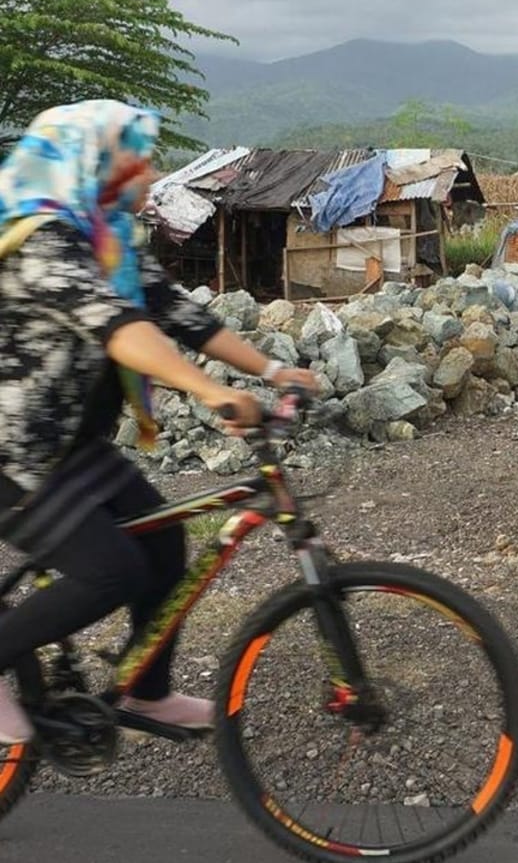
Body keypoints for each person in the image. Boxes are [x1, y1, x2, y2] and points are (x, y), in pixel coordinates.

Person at [0, 100, 317, 745]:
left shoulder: (110, 236)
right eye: (133, 157)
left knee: (166, 542)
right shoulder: (39, 239)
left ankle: (147, 694)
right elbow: (121, 329)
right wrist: (209, 393)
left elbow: (177, 314)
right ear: (90, 161)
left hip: (71, 447)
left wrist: (270, 370)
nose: (148, 171)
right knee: (110, 570)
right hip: (14, 454)